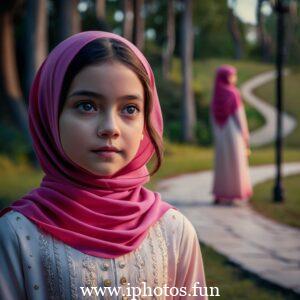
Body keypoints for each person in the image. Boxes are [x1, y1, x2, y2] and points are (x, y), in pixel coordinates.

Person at [0, 31, 207, 299]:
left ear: (146, 123)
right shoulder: (16, 234)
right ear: (51, 115)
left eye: (129, 109)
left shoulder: (175, 231)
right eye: (87, 106)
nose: (110, 128)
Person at [211, 65, 253, 205]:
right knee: (236, 163)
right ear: (226, 77)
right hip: (233, 131)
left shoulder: (216, 93)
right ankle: (235, 194)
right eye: (232, 75)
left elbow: (213, 116)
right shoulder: (233, 92)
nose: (235, 78)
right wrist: (245, 135)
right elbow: (239, 116)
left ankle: (220, 194)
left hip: (221, 132)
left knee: (222, 164)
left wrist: (217, 132)